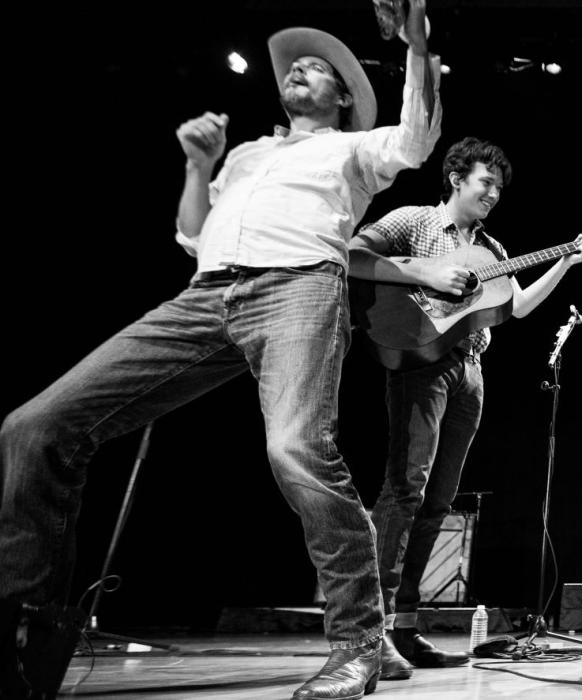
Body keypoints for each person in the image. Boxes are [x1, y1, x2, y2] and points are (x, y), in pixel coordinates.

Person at [0, 3, 441, 698]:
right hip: (205, 297)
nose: (299, 68)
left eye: (317, 67)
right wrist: (198, 165)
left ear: (346, 98)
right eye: (294, 65)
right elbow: (193, 235)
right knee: (35, 426)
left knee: (296, 449)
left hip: (298, 286)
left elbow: (416, 140)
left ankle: (359, 642)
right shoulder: (248, 154)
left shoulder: (354, 149)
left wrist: (417, 47)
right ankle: (24, 637)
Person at [348, 136, 582, 679]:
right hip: (421, 365)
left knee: (438, 501)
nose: (493, 194)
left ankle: (405, 628)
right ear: (458, 178)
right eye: (486, 182)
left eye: (500, 188)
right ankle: (371, 630)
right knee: (404, 490)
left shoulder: (494, 249)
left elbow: (520, 306)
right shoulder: (414, 222)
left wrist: (565, 262)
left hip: (470, 373)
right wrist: (423, 275)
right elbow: (354, 253)